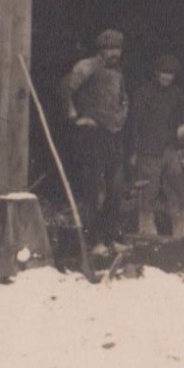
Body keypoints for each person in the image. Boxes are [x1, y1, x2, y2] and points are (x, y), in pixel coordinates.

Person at [60, 29, 130, 255]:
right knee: (95, 189)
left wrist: (122, 113)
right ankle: (95, 241)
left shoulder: (117, 71)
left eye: (117, 49)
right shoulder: (87, 66)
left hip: (113, 134)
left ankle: (111, 238)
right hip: (92, 135)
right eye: (109, 49)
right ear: (100, 50)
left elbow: (121, 97)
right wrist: (75, 117)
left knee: (116, 188)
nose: (114, 53)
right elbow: (65, 88)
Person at [127, 53, 184, 241]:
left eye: (171, 74)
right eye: (164, 73)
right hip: (148, 150)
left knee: (177, 184)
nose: (167, 77)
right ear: (157, 73)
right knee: (149, 188)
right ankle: (147, 230)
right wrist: (133, 151)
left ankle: (182, 228)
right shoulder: (143, 94)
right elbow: (134, 124)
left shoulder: (176, 93)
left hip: (169, 149)